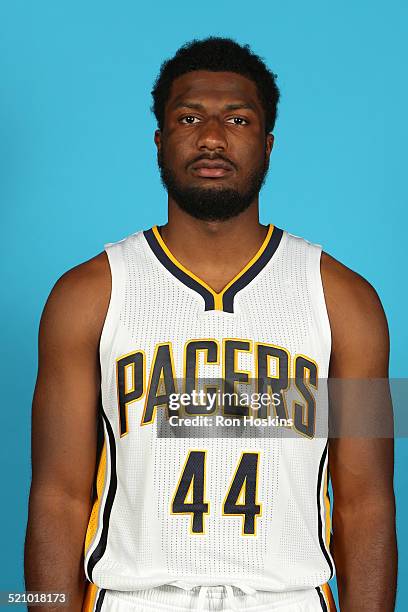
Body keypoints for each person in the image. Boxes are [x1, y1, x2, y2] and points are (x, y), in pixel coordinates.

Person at [24, 37, 397, 612]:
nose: (213, 137)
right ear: (159, 140)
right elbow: (57, 497)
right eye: (189, 117)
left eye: (238, 119)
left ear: (268, 144)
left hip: (289, 599)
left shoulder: (347, 300)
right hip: (134, 598)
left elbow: (366, 500)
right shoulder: (86, 295)